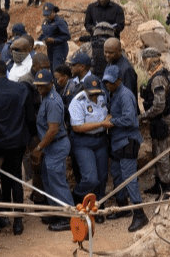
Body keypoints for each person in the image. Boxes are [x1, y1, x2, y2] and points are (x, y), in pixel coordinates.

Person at [0, 59, 33, 236]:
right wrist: (27, 140)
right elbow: (30, 118)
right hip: (17, 143)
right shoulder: (21, 88)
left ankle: (2, 216)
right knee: (16, 178)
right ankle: (18, 222)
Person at [102, 64, 148, 232]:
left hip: (128, 141)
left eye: (111, 82)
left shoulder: (125, 95)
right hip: (116, 141)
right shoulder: (112, 93)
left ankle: (139, 214)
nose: (108, 84)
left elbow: (130, 119)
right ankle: (122, 207)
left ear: (119, 80)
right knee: (117, 173)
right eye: (106, 81)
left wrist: (112, 121)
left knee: (129, 178)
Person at [30, 69, 73, 231]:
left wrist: (39, 148)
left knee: (57, 182)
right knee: (48, 180)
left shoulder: (53, 101)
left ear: (51, 84)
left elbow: (53, 130)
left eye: (43, 85)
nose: (40, 88)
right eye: (38, 85)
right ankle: (57, 211)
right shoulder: (46, 97)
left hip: (55, 145)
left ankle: (68, 216)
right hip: (50, 146)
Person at [139, 47, 170, 200]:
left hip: (161, 119)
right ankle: (159, 184)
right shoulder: (164, 72)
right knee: (157, 152)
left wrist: (143, 116)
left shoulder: (157, 78)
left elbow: (158, 106)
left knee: (162, 155)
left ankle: (168, 188)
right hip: (161, 118)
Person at [68, 74, 110, 217]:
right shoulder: (77, 101)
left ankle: (96, 205)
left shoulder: (102, 95)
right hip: (83, 142)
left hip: (101, 140)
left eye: (96, 93)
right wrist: (101, 124)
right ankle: (77, 196)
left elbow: (107, 113)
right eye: (91, 93)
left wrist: (107, 119)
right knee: (91, 178)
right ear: (85, 89)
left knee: (103, 176)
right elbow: (77, 127)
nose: (94, 96)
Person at [40, 3, 70, 69]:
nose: (47, 17)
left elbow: (67, 36)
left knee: (56, 68)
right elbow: (45, 33)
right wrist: (40, 39)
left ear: (53, 12)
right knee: (51, 68)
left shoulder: (60, 21)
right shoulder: (46, 21)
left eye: (48, 15)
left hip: (59, 48)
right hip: (50, 48)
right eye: (45, 15)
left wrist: (54, 40)